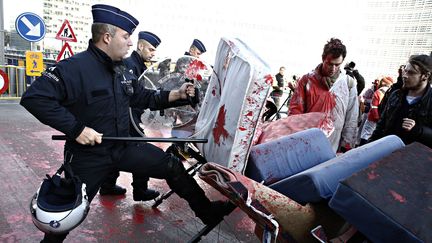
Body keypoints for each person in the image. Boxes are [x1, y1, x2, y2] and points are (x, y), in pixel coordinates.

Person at [20, 4, 232, 242]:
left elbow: (144, 97)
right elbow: (34, 98)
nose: (131, 43)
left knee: (172, 165)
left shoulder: (122, 71)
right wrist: (76, 129)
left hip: (124, 148)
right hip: (89, 157)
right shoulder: (73, 68)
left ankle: (207, 212)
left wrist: (177, 95)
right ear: (107, 37)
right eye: (126, 36)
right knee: (65, 214)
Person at [98, 31, 162, 201]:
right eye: (151, 49)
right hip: (129, 118)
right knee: (136, 151)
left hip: (131, 118)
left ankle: (109, 185)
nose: (153, 53)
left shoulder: (138, 65)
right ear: (140, 46)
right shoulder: (129, 64)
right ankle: (139, 190)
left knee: (120, 149)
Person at [288, 38, 359, 152]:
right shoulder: (307, 80)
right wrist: (294, 140)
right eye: (330, 64)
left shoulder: (348, 83)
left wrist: (346, 146)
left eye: (337, 65)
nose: (333, 69)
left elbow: (351, 118)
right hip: (306, 143)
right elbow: (295, 113)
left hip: (333, 146)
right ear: (323, 58)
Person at [368, 54, 432, 148]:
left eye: (411, 73)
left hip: (411, 158)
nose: (405, 76)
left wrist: (418, 130)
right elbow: (380, 127)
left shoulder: (430, 101)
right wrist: (368, 147)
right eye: (405, 71)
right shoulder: (396, 95)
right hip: (384, 153)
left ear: (425, 76)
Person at [358, 76, 394, 145]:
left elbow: (374, 106)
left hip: (373, 117)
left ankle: (361, 147)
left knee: (366, 133)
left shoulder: (379, 92)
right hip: (382, 119)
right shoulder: (391, 92)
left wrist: (376, 117)